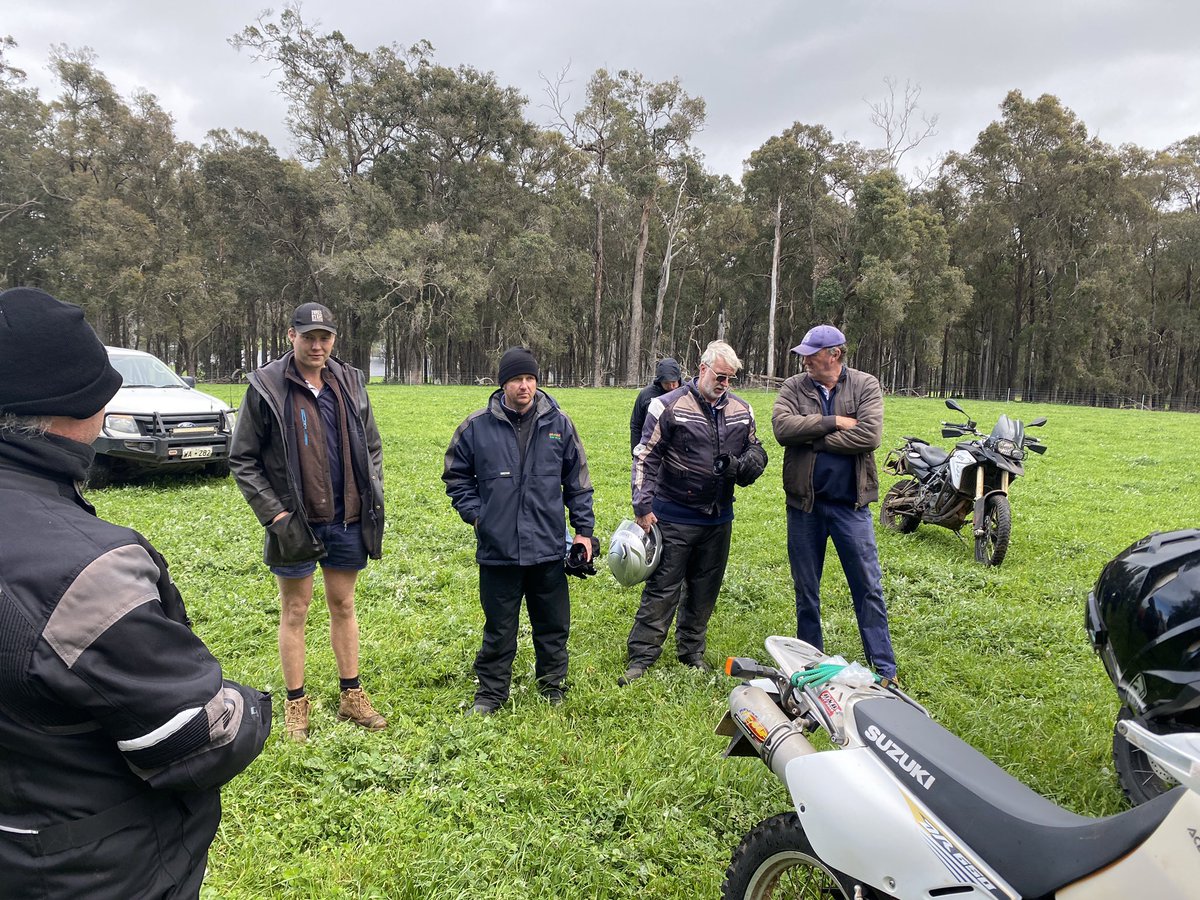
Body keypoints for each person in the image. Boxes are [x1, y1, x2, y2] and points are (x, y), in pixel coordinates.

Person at [0, 287, 270, 898]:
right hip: (90, 868)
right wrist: (249, 706)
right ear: (78, 404)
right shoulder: (82, 568)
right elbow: (191, 736)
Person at [229, 302, 387, 741]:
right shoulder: (266, 387)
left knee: (344, 605)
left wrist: (370, 489)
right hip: (294, 523)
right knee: (295, 609)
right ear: (291, 336)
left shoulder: (350, 381)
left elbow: (371, 445)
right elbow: (243, 459)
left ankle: (351, 696)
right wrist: (277, 515)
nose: (317, 345)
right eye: (308, 336)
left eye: (325, 337)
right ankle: (296, 705)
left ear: (333, 339)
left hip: (347, 518)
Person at [443, 347, 595, 714]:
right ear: (503, 384)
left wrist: (583, 532)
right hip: (499, 550)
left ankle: (552, 686)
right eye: (516, 379)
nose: (524, 386)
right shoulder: (476, 426)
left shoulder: (559, 423)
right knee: (499, 628)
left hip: (548, 547)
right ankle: (491, 694)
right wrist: (479, 516)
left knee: (553, 625)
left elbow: (578, 481)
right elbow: (455, 476)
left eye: (530, 379)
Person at [620, 340, 767, 685]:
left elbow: (755, 449)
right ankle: (642, 656)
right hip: (673, 515)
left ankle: (691, 652)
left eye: (730, 379)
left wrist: (747, 465)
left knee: (705, 589)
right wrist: (642, 506)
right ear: (702, 369)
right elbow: (646, 455)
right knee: (663, 588)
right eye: (720, 376)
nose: (724, 384)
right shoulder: (666, 406)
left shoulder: (742, 410)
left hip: (718, 517)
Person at [771, 324, 898, 684]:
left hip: (850, 508)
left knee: (867, 586)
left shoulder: (865, 385)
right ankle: (811, 667)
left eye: (812, 354)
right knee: (806, 589)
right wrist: (833, 422)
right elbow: (782, 428)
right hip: (804, 508)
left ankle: (885, 668)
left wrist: (816, 440)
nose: (805, 360)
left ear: (834, 355)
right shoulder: (793, 387)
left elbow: (869, 435)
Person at [629, 357, 682, 453]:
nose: (671, 387)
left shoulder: (687, 393)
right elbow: (636, 425)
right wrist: (636, 452)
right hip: (652, 446)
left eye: (674, 383)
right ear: (659, 381)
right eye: (666, 383)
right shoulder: (646, 394)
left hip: (678, 449)